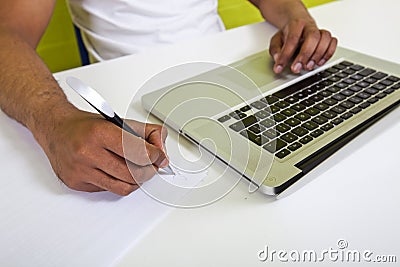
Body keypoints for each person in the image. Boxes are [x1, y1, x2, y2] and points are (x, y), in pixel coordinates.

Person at [0, 0, 337, 196]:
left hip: (231, 75)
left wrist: (297, 19)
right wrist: (55, 120)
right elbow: (7, 32)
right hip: (132, 107)